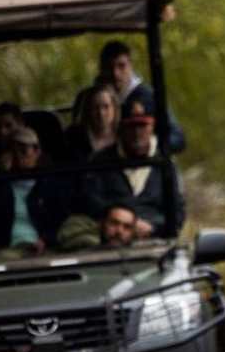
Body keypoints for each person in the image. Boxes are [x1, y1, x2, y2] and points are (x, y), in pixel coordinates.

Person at [79, 99, 185, 238]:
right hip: (107, 242)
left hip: (154, 241)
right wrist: (119, 222)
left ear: (152, 127)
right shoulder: (100, 162)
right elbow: (89, 203)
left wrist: (153, 228)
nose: (137, 133)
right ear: (121, 128)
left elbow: (177, 213)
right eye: (131, 126)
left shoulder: (164, 164)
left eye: (142, 125)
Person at [0, 127, 71, 258]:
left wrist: (46, 240)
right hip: (8, 249)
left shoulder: (49, 185)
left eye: (25, 149)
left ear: (37, 152)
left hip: (42, 249)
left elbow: (61, 221)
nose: (20, 155)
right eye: (15, 150)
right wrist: (2, 175)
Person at [98, 40, 186, 153]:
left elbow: (177, 139)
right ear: (101, 69)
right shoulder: (92, 99)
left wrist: (149, 145)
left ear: (130, 66)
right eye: (109, 67)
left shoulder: (149, 98)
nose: (116, 73)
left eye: (121, 66)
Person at [65, 84, 119, 161]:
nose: (101, 113)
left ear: (114, 108)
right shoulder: (72, 137)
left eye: (106, 107)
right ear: (88, 110)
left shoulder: (125, 134)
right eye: (96, 107)